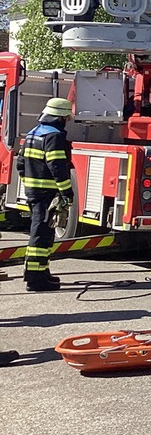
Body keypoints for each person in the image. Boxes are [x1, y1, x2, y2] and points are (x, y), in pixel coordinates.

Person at [19, 98, 74, 292]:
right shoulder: (54, 136)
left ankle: (41, 271)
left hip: (34, 193)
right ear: (60, 118)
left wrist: (29, 186)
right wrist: (66, 192)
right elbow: (57, 167)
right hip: (47, 194)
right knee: (41, 236)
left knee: (42, 233)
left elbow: (20, 164)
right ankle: (36, 279)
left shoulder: (33, 133)